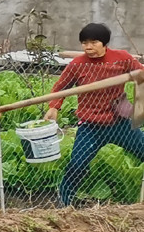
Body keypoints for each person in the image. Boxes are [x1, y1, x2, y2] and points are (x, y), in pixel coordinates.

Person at [47, 23, 144, 205]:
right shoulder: (78, 65)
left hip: (119, 123)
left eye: (93, 42)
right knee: (77, 165)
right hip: (90, 126)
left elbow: (141, 73)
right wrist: (54, 107)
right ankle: (65, 203)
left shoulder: (121, 58)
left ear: (104, 43)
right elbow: (60, 87)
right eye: (84, 43)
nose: (88, 47)